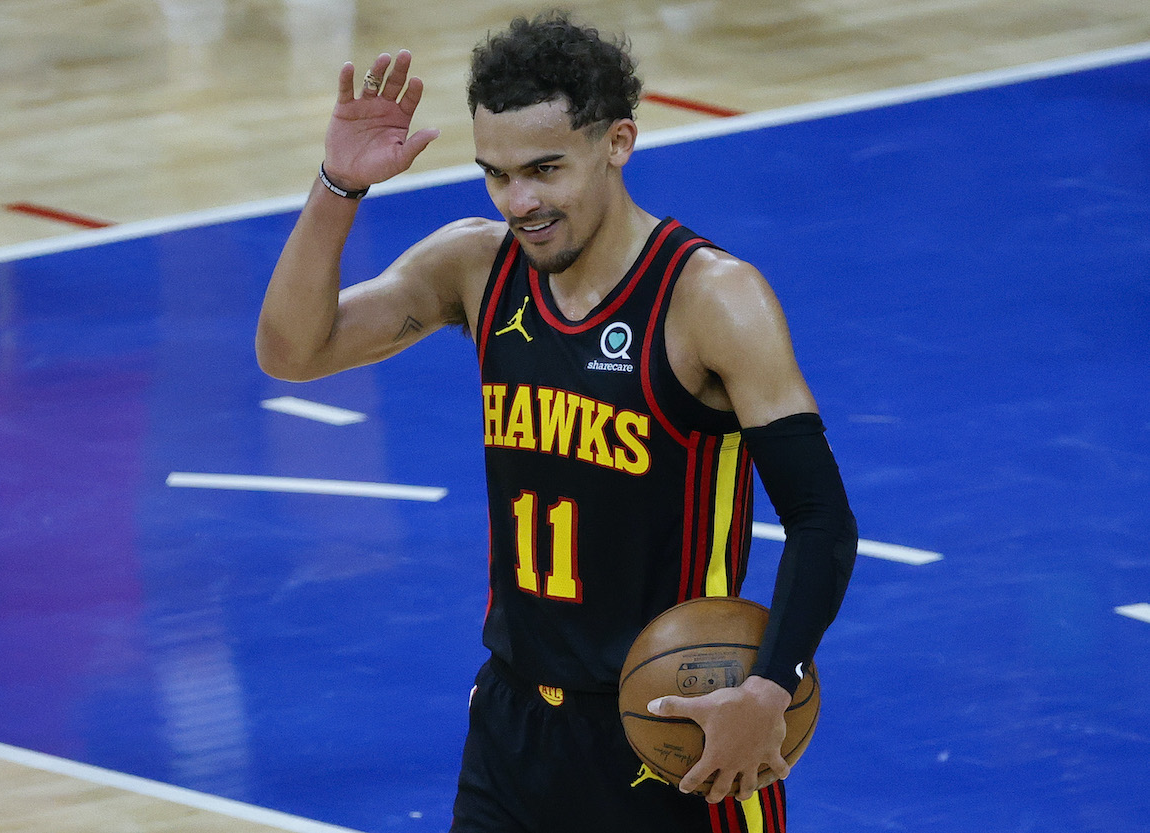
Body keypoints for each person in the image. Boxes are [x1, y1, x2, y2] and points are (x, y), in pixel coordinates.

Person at [256, 11, 857, 833]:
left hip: (673, 733)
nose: (522, 202)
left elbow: (822, 519)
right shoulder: (476, 265)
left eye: (545, 169)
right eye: (497, 175)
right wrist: (337, 187)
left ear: (617, 142)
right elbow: (292, 351)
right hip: (514, 725)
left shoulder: (711, 299)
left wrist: (769, 687)